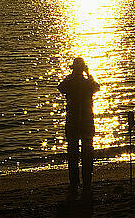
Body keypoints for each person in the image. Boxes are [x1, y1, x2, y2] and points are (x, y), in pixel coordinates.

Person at [58, 57, 100, 189]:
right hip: (86, 122)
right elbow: (97, 87)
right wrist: (89, 74)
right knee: (87, 153)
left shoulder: (70, 82)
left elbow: (61, 87)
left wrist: (72, 75)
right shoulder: (88, 83)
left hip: (73, 122)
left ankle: (74, 182)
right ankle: (87, 181)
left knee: (73, 154)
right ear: (83, 69)